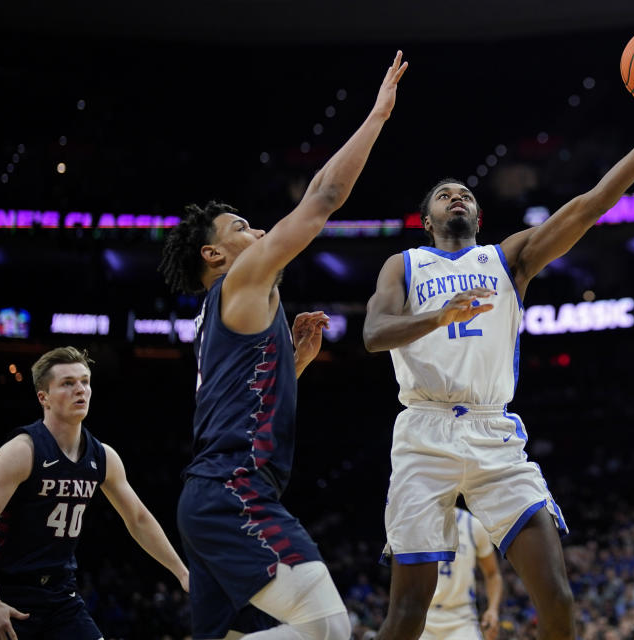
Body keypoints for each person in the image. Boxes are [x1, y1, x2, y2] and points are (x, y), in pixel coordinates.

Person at [363, 69, 634, 640]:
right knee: (406, 614)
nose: (459, 196)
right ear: (427, 221)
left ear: (479, 217)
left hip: (495, 433)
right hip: (423, 434)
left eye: (466, 194)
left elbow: (591, 205)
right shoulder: (404, 264)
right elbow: (374, 335)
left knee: (558, 597)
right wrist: (440, 316)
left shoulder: (508, 260)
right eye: (446, 195)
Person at [157, 51, 407, 640]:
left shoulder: (219, 316)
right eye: (241, 227)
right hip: (233, 490)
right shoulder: (240, 282)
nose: (261, 231)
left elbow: (236, 401)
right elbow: (321, 200)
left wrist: (291, 364)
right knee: (327, 628)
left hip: (212, 495)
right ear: (213, 256)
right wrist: (377, 117)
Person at [0, 346, 189, 640]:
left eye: (85, 381)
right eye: (68, 383)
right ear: (44, 398)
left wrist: (183, 574)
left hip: (61, 595)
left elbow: (139, 519)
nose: (80, 389)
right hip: (7, 593)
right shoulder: (22, 451)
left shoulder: (103, 456)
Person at [421, 508, 502, 640]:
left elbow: (492, 574)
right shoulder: (419, 523)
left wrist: (493, 609)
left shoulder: (473, 525)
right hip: (422, 617)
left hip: (462, 620)